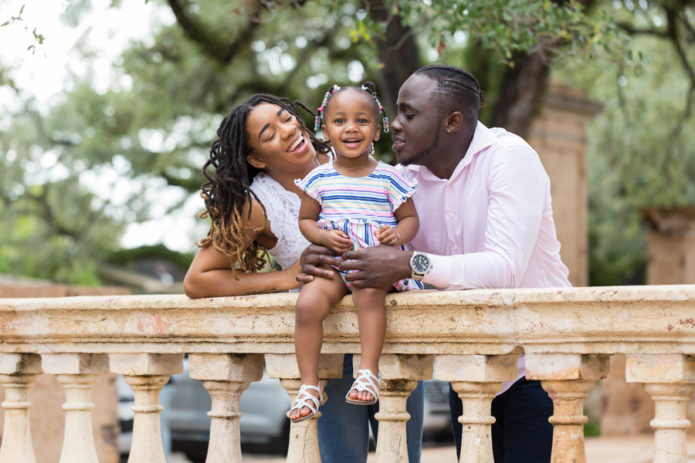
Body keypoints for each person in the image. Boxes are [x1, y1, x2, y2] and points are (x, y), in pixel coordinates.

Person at [299, 64, 571, 463]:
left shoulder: (509, 159)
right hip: (470, 374)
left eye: (409, 114)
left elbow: (505, 269)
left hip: (538, 370)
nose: (394, 124)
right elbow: (376, 254)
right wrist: (323, 252)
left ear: (452, 122)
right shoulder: (403, 181)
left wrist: (408, 263)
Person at [183, 93, 424, 462]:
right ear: (257, 158)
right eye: (269, 133)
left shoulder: (351, 153)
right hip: (329, 345)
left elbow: (403, 217)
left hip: (390, 334)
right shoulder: (258, 203)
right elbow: (198, 280)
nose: (288, 130)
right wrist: (286, 278)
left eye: (286, 118)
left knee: (405, 456)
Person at [289, 83, 423, 423]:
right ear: (326, 129)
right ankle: (308, 384)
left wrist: (397, 232)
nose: (351, 128)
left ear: (376, 130)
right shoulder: (318, 178)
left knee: (367, 294)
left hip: (374, 265)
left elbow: (410, 219)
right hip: (336, 263)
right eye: (340, 121)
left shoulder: (389, 177)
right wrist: (321, 234)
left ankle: (368, 370)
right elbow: (305, 220)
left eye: (362, 120)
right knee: (307, 303)